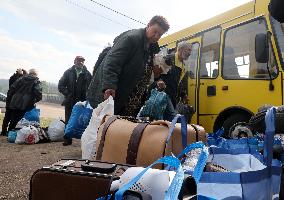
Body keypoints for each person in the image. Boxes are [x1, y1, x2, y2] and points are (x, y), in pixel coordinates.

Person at [87, 15, 169, 116]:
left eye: (160, 35)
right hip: (115, 97)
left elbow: (145, 71)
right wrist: (109, 86)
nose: (156, 36)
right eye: (155, 31)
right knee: (102, 129)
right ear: (148, 25)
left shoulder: (151, 48)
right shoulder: (131, 38)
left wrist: (157, 79)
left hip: (131, 102)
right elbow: (112, 62)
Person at [58, 56, 92, 146]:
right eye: (78, 61)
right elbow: (60, 85)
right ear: (74, 61)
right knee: (68, 120)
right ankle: (67, 139)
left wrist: (87, 99)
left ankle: (84, 140)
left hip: (82, 103)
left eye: (82, 61)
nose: (80, 62)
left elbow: (91, 88)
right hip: (70, 101)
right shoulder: (68, 72)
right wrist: (67, 93)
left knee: (83, 121)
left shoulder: (88, 74)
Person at [154, 42, 192, 108]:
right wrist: (159, 82)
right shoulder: (169, 59)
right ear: (180, 49)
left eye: (190, 50)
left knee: (168, 117)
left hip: (173, 97)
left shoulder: (183, 65)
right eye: (188, 50)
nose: (190, 53)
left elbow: (179, 82)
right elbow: (156, 73)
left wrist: (183, 95)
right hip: (163, 96)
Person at [1, 68, 27, 136]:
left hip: (10, 100)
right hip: (15, 101)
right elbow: (26, 79)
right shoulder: (21, 80)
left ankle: (3, 132)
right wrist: (24, 73)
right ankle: (9, 132)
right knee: (13, 118)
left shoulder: (12, 78)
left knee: (7, 117)